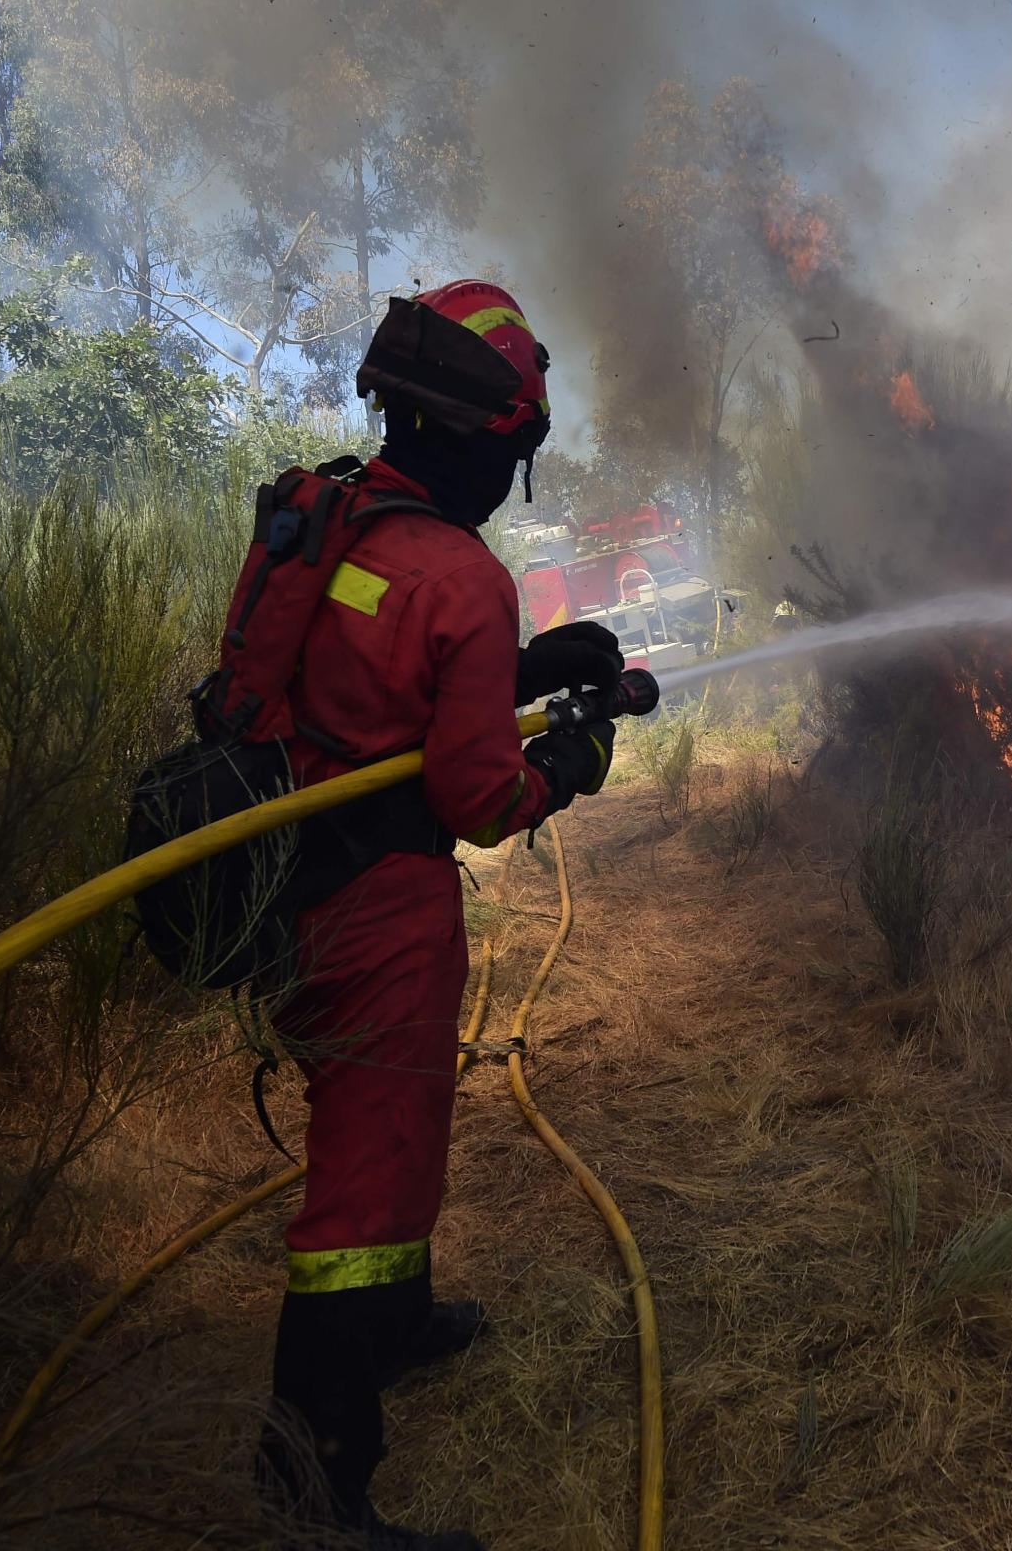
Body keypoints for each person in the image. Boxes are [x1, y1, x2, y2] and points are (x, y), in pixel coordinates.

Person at [253, 280, 624, 1549]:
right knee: (364, 1184)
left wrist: (524, 670)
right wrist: (564, 768)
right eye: (517, 454)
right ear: (480, 437)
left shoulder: (335, 517)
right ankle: (318, 1484)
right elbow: (473, 793)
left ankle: (399, 1327)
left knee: (395, 1131)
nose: (511, 476)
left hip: (290, 883)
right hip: (379, 906)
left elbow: (375, 688)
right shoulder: (460, 575)